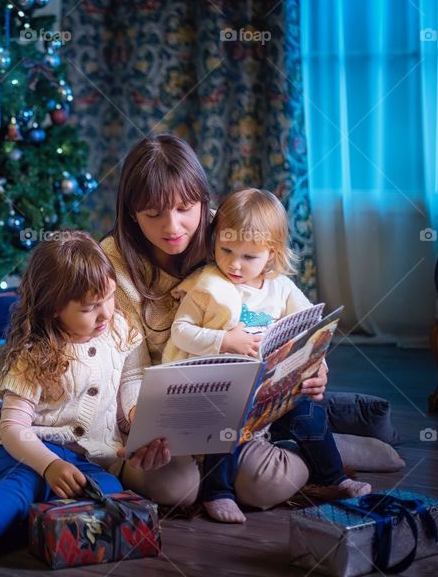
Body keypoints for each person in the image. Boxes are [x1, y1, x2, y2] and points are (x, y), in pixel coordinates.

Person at [101, 134, 328, 510]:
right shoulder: (114, 264)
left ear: (203, 200)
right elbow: (130, 368)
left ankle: (324, 442)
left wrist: (315, 363)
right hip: (158, 406)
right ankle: (321, 439)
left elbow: (282, 307)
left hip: (235, 407)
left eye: (184, 208)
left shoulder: (227, 232)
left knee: (266, 486)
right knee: (178, 491)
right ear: (131, 213)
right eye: (153, 214)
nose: (172, 227)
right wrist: (143, 422)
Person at [0, 231, 151, 577]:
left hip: (88, 458)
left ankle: (35, 520)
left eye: (110, 297)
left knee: (110, 491)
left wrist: (135, 419)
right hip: (26, 451)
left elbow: (132, 375)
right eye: (89, 308)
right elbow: (14, 430)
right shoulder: (35, 355)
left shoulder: (117, 328)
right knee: (18, 489)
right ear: (55, 308)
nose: (105, 314)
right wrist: (48, 465)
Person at [163, 188, 370, 523]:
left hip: (270, 392)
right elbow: (180, 331)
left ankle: (334, 478)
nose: (233, 263)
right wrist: (223, 341)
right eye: (226, 249)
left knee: (308, 413)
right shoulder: (207, 286)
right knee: (225, 421)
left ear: (271, 254)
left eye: (249, 257)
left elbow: (313, 329)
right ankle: (218, 492)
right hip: (224, 390)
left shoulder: (281, 288)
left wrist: (317, 365)